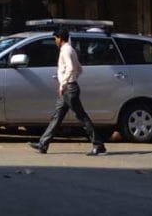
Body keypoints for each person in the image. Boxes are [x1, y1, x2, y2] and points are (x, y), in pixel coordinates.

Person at [29, 28, 106, 156]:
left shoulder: (66, 51)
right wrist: (71, 79)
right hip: (69, 88)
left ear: (60, 38)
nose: (55, 41)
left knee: (81, 116)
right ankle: (43, 143)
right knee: (57, 116)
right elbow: (79, 69)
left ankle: (98, 144)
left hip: (69, 89)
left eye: (55, 38)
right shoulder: (70, 49)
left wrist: (64, 83)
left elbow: (70, 68)